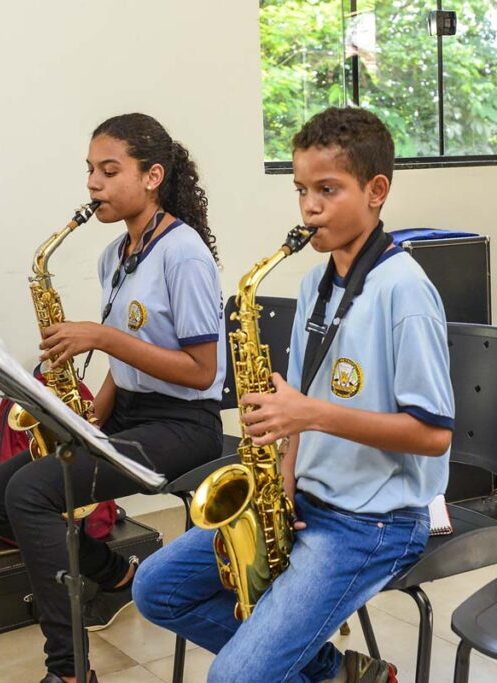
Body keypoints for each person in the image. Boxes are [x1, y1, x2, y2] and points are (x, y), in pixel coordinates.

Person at [132, 106, 454, 683]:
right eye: (302, 189)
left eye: (328, 190)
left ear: (377, 191)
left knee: (231, 678)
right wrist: (280, 482)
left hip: (376, 520)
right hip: (307, 499)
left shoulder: (404, 290)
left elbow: (433, 435)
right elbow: (297, 408)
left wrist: (313, 414)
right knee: (156, 589)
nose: (309, 207)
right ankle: (335, 672)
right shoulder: (314, 283)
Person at [0, 113, 225, 683]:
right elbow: (124, 364)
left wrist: (104, 336)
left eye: (110, 171)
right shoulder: (116, 253)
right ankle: (113, 574)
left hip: (184, 425)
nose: (93, 184)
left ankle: (68, 669)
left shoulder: (183, 254)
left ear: (153, 176)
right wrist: (90, 418)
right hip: (131, 414)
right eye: (90, 171)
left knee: (34, 494)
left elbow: (201, 370)